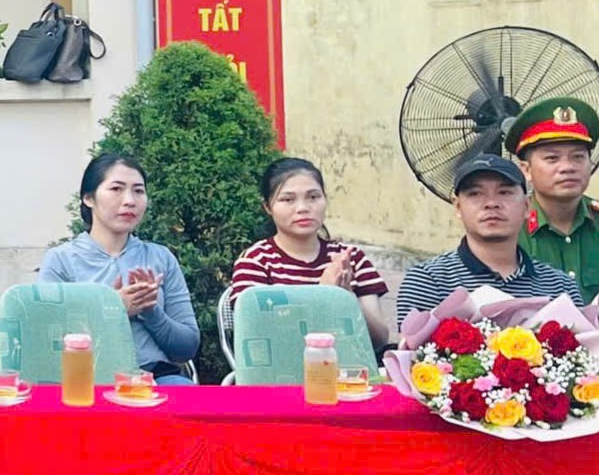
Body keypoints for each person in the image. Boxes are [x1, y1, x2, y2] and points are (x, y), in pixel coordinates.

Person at [38, 153, 200, 384]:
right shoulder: (61, 260)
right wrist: (114, 310)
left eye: (138, 191)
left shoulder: (161, 258)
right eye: (116, 189)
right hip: (85, 381)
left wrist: (151, 311)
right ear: (88, 198)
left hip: (155, 379)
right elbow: (47, 344)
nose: (130, 201)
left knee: (186, 394)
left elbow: (187, 348)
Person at [394, 154, 583, 325]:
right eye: (475, 194)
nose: (491, 203)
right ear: (458, 207)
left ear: (526, 206)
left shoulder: (560, 286)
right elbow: (412, 350)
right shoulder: (428, 281)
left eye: (504, 192)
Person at [227, 157, 392, 348]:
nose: (303, 208)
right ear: (267, 207)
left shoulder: (351, 258)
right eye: (288, 199)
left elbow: (379, 340)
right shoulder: (256, 262)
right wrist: (322, 296)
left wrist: (346, 298)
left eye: (313, 197)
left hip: (350, 365)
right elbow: (257, 337)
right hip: (285, 365)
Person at [510, 95, 599, 302]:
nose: (567, 167)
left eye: (578, 157)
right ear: (526, 170)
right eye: (552, 158)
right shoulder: (509, 229)